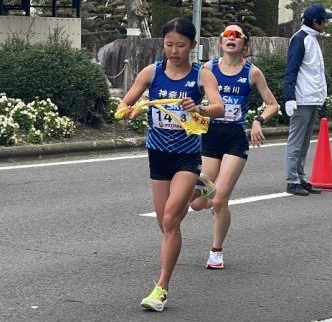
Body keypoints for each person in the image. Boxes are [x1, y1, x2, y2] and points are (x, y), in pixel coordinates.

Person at [117, 18, 224, 312]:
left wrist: (198, 107)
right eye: (168, 44)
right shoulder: (152, 73)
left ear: (191, 45)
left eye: (180, 45)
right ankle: (202, 187)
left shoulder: (201, 76)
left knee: (170, 221)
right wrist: (129, 111)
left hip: (186, 156)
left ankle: (161, 288)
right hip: (157, 154)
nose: (174, 51)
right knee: (163, 223)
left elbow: (219, 107)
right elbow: (125, 104)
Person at [190, 23, 279, 269]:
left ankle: (216, 251)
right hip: (209, 137)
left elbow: (272, 104)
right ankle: (215, 205)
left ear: (245, 45)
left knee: (219, 200)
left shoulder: (252, 73)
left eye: (236, 36)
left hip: (234, 139)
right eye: (226, 35)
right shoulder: (208, 69)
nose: (231, 38)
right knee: (197, 202)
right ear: (220, 43)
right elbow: (194, 97)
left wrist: (258, 121)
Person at [283, 3, 332, 196]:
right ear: (316, 22)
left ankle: (300, 177)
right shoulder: (300, 39)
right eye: (324, 20)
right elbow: (291, 70)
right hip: (302, 98)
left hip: (311, 98)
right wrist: (289, 97)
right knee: (296, 141)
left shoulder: (312, 39)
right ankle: (292, 180)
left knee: (304, 141)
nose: (326, 23)